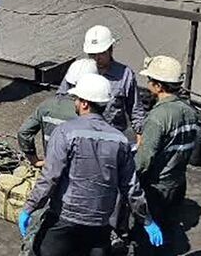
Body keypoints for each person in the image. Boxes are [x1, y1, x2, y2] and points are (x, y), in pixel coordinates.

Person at [21, 72, 162, 256]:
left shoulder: (65, 132)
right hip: (99, 225)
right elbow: (131, 187)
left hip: (65, 220)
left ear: (85, 103)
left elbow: (50, 177)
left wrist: (29, 208)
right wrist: (147, 221)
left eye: (77, 99)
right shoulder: (120, 140)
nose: (75, 103)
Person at [133, 55, 201, 254]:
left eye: (150, 81)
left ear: (158, 86)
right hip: (178, 183)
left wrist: (129, 181)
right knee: (168, 231)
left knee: (146, 237)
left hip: (156, 187)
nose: (148, 84)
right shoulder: (190, 111)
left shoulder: (158, 117)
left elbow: (144, 159)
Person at [57, 25, 146, 137]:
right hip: (82, 135)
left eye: (101, 53)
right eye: (92, 54)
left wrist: (140, 133)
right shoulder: (78, 70)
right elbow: (60, 100)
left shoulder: (124, 74)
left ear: (110, 50)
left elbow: (135, 109)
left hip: (113, 136)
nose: (97, 58)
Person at [18, 58, 98, 164]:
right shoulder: (90, 111)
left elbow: (23, 132)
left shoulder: (47, 105)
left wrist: (34, 160)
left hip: (52, 169)